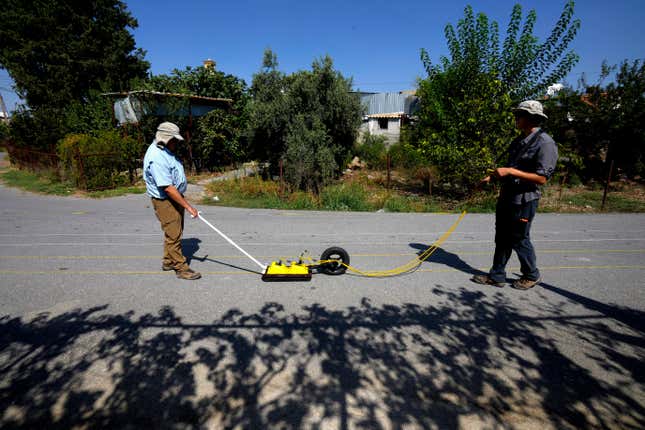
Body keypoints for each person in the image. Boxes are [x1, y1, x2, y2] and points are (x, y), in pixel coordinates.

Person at [472, 100, 558, 290]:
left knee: (519, 238)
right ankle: (497, 275)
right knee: (502, 237)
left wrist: (511, 172)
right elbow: (511, 167)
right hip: (507, 196)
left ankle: (531, 274)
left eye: (519, 115)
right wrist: (490, 178)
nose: (515, 118)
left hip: (524, 200)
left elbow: (542, 178)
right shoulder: (520, 140)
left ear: (531, 118)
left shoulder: (546, 143)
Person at [143, 122, 202, 280]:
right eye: (174, 139)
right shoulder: (156, 157)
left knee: (173, 232)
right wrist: (189, 207)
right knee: (174, 233)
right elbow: (167, 187)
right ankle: (181, 268)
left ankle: (168, 261)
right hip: (165, 200)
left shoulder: (164, 150)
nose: (177, 142)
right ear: (165, 138)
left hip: (172, 196)